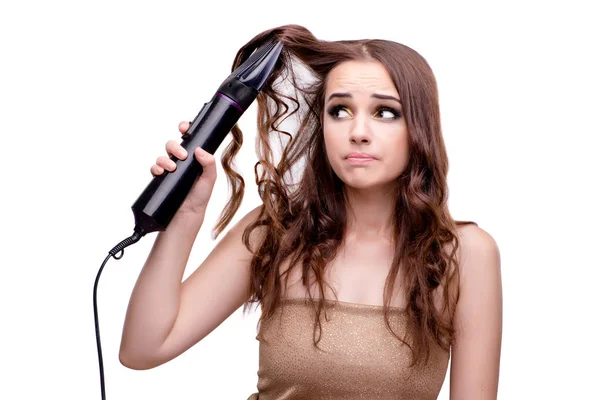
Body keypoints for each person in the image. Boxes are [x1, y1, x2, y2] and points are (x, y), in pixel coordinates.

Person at [118, 24, 503, 399]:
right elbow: (143, 349)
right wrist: (185, 216)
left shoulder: (464, 254)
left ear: (419, 127)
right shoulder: (274, 233)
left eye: (385, 113)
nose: (358, 131)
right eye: (340, 110)